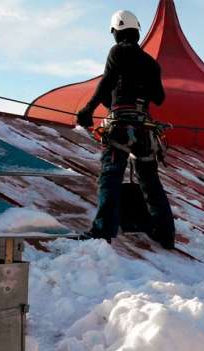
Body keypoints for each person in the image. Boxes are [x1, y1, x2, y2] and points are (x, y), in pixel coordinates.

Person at [76, 10, 175, 249]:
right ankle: (164, 234)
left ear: (116, 31)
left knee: (110, 176)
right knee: (149, 180)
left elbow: (107, 81)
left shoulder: (118, 51)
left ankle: (102, 231)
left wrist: (87, 110)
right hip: (144, 129)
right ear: (137, 31)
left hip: (121, 125)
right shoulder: (151, 63)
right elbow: (159, 98)